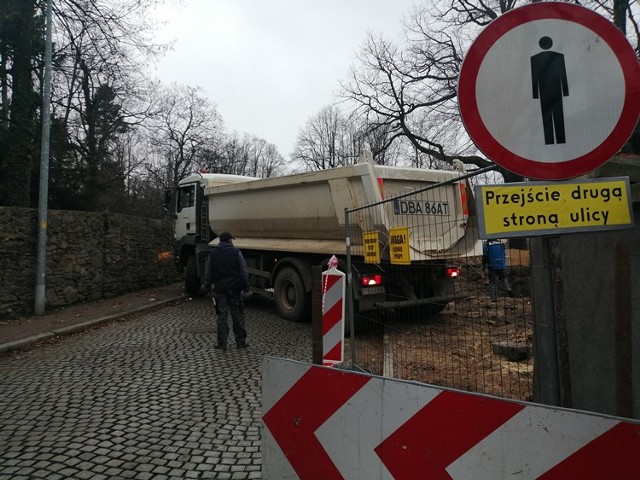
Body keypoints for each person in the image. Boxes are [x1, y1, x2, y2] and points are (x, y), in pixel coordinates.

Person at [205, 231, 250, 350]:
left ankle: (222, 343)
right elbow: (243, 271)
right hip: (235, 289)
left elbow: (208, 272)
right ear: (229, 240)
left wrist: (207, 286)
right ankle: (240, 342)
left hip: (221, 289)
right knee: (237, 315)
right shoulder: (236, 252)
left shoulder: (213, 254)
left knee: (222, 316)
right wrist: (246, 286)